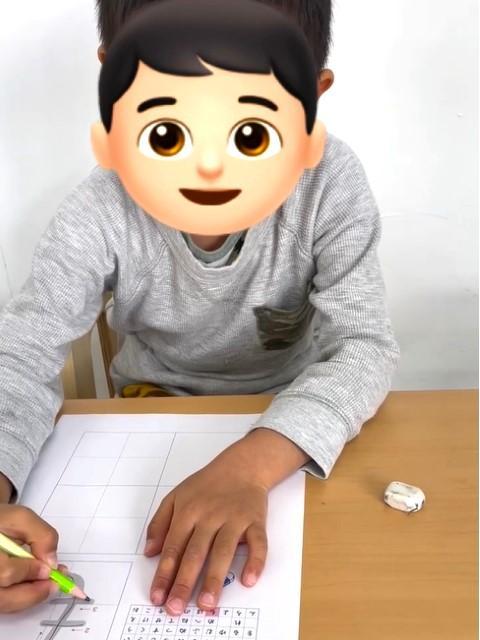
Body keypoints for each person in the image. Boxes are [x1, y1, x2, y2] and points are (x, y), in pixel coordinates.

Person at [0, 0, 399, 616]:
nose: (209, 166)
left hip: (288, 419)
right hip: (150, 410)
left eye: (249, 134)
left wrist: (253, 465)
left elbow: (365, 347)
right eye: (168, 132)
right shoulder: (101, 208)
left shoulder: (328, 185)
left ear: (312, 98)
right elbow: (21, 356)